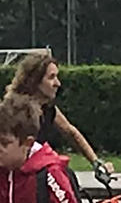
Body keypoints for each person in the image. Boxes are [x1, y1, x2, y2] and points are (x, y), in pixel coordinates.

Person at [7, 52, 110, 181]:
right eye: (51, 77)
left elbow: (70, 132)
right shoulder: (18, 111)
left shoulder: (47, 108)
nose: (58, 83)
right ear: (35, 81)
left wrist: (96, 162)